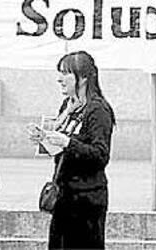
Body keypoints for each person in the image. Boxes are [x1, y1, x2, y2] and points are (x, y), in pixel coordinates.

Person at [28, 51, 115, 249]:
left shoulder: (98, 110)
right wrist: (44, 139)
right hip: (64, 195)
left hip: (87, 198)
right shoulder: (68, 106)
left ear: (83, 78)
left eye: (65, 73)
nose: (59, 79)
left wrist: (67, 143)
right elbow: (59, 147)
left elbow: (100, 155)